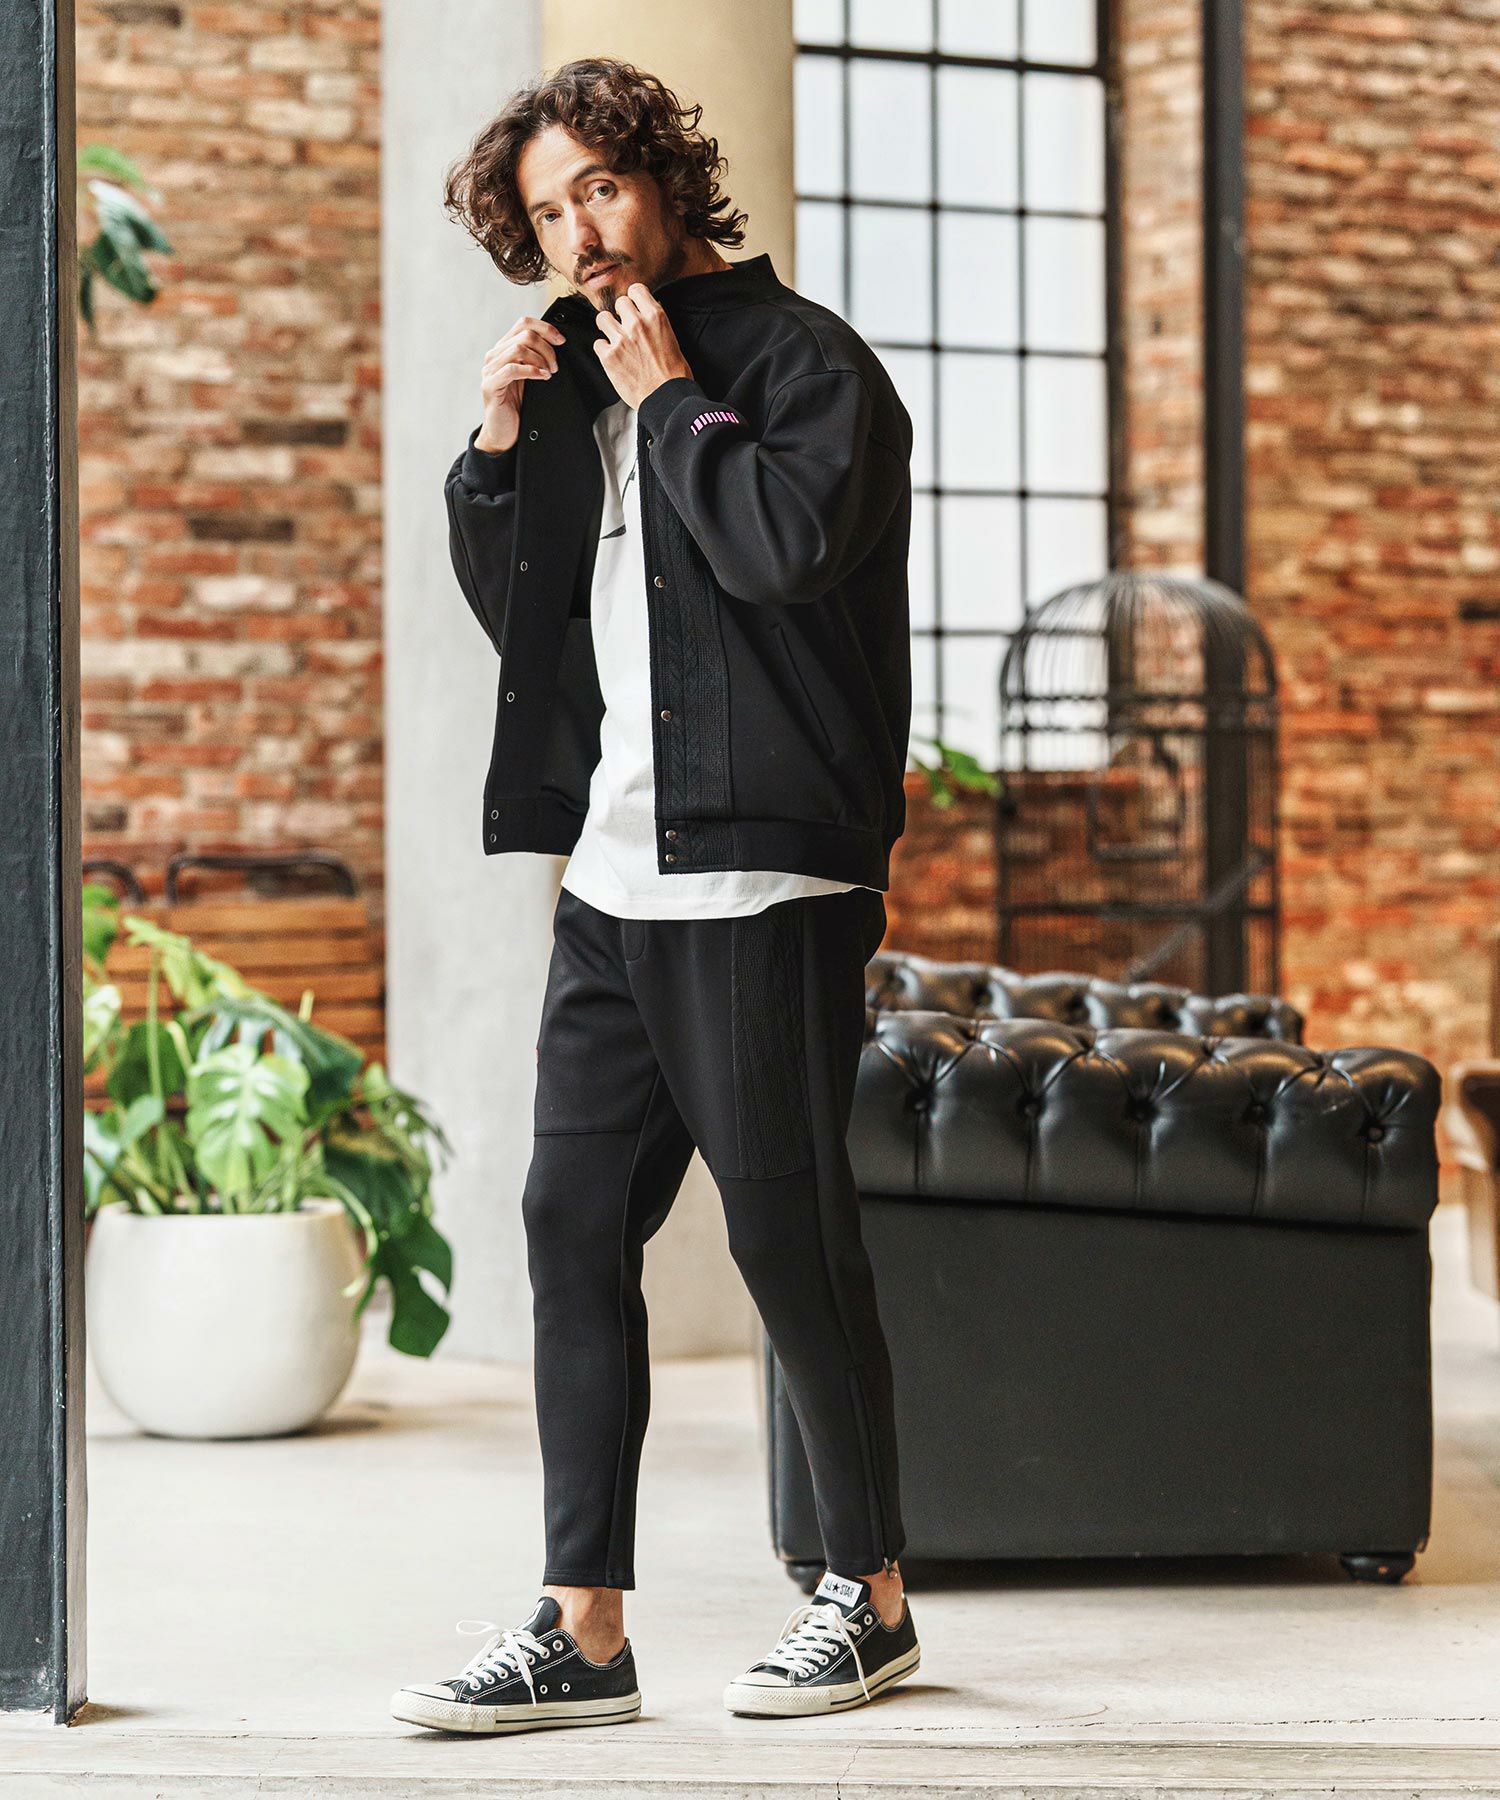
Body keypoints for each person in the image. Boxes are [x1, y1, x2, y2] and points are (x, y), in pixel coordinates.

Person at [391, 55, 917, 1736]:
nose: (582, 231)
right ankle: (585, 1630)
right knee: (568, 1223)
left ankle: (870, 1596)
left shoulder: (807, 366)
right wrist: (496, 445)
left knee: (785, 1236)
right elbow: (527, 616)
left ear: (665, 179)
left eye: (600, 188)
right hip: (614, 877)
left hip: (761, 872)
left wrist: (676, 395)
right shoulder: (572, 386)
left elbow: (779, 550)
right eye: (549, 212)